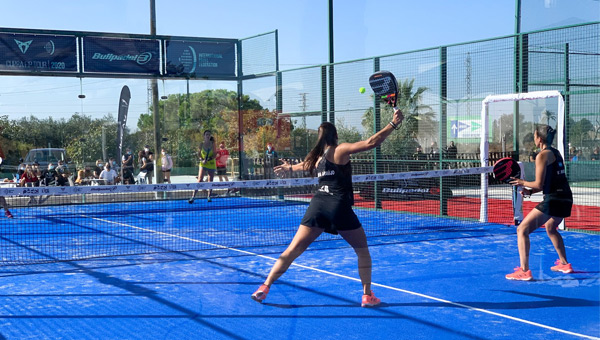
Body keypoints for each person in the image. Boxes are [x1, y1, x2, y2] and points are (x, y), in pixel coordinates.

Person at [251, 108, 404, 307]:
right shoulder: (339, 150)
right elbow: (371, 142)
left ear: (320, 137)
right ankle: (367, 295)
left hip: (318, 205)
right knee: (363, 251)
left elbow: (303, 166)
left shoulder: (318, 157)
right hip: (338, 206)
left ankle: (265, 286)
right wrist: (393, 123)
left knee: (292, 249)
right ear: (336, 136)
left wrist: (288, 167)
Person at [506, 124, 574, 281]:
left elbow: (538, 184)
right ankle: (564, 264)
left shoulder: (542, 155)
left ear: (539, 138)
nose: (534, 138)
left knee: (522, 230)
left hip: (554, 199)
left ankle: (524, 270)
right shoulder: (556, 153)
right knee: (551, 228)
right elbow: (547, 183)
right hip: (566, 198)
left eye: (535, 135)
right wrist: (530, 192)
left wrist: (522, 182)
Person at [189, 130, 216, 203]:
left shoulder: (213, 144)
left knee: (210, 181)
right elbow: (198, 154)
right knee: (200, 179)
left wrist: (209, 159)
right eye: (206, 134)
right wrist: (202, 160)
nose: (208, 136)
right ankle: (193, 197)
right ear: (204, 136)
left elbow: (214, 154)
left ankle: (209, 197)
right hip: (203, 164)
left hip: (211, 164)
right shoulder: (201, 144)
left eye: (209, 134)